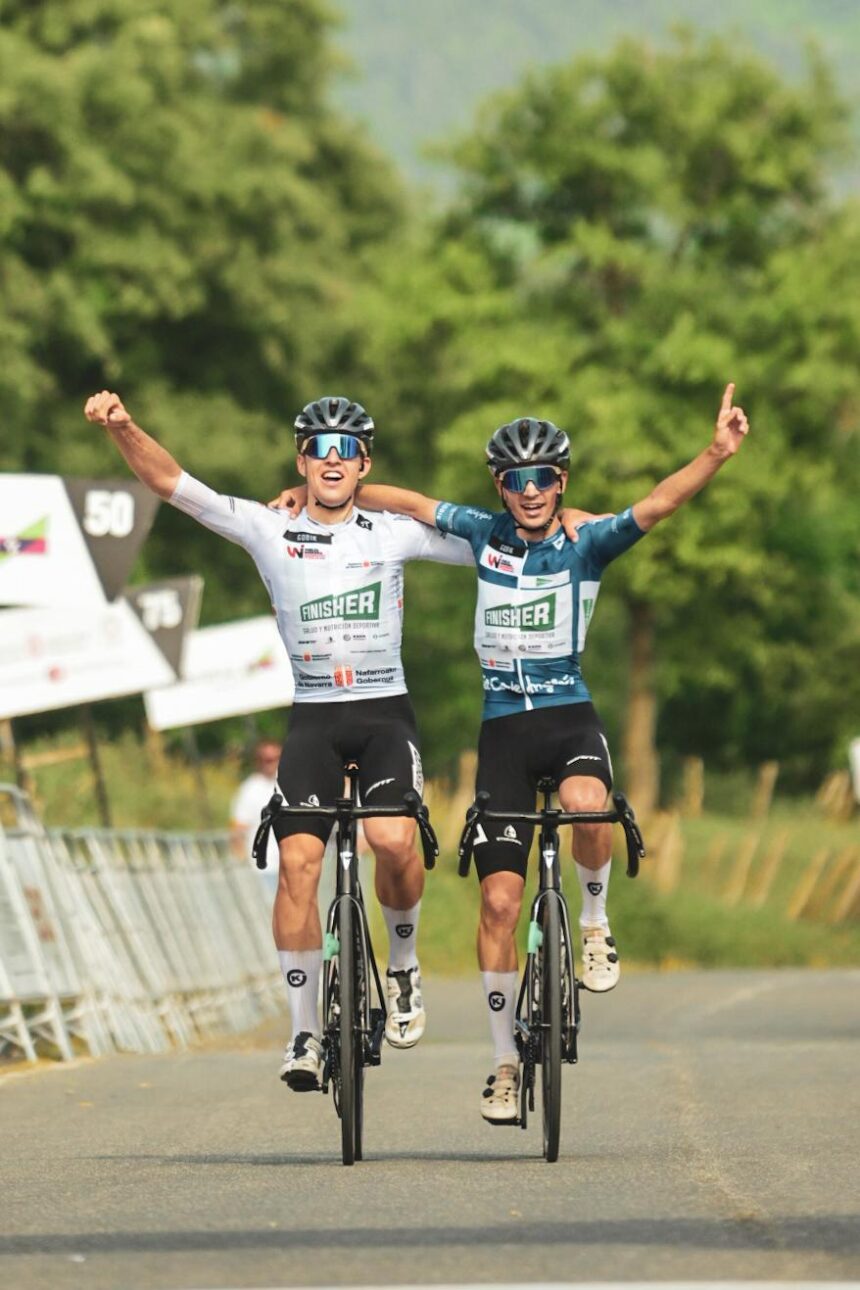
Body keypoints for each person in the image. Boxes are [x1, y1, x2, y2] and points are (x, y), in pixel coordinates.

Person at [332, 384, 750, 1123]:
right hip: (502, 734)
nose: (530, 491)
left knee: (590, 805)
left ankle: (593, 924)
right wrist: (332, 488)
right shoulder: (480, 531)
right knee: (498, 899)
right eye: (516, 479)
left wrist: (715, 453)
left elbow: (658, 504)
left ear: (563, 483)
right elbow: (414, 503)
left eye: (544, 478)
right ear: (501, 486)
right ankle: (501, 1064)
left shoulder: (587, 542)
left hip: (569, 719)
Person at [83, 391, 478, 1091]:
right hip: (315, 716)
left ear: (363, 463)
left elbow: (491, 540)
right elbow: (174, 486)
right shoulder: (269, 526)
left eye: (346, 449)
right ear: (301, 461)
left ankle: (406, 965)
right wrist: (124, 428)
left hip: (383, 710)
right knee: (297, 863)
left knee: (392, 841)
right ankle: (301, 1030)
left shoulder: (392, 531)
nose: (332, 460)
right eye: (318, 449)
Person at [230, 738, 282, 894]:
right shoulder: (249, 790)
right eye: (266, 760)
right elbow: (238, 828)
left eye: (274, 759)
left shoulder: (290, 783)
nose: (270, 763)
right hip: (264, 868)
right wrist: (241, 861)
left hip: (292, 863)